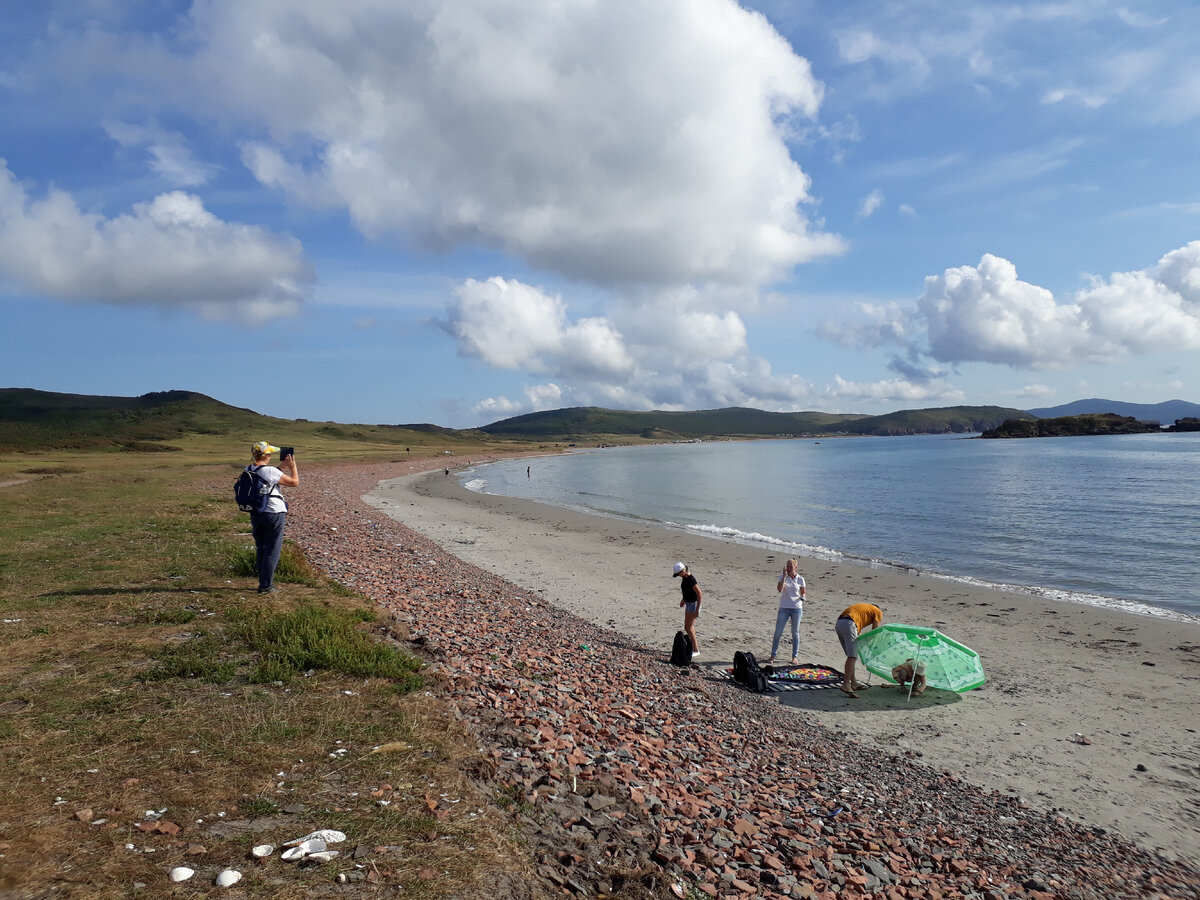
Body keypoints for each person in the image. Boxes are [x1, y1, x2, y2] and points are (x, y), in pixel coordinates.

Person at [246, 441, 299, 594]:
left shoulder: (249, 468)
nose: (271, 455)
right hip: (273, 513)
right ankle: (266, 586)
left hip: (256, 512)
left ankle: (263, 580)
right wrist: (292, 467)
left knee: (261, 547)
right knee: (273, 549)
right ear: (266, 455)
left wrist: (281, 467)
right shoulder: (269, 471)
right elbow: (294, 482)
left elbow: (267, 477)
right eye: (269, 453)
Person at [835, 602, 882, 698]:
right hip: (849, 624)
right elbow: (875, 631)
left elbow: (857, 632)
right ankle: (846, 684)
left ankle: (854, 683)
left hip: (839, 624)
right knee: (852, 657)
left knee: (851, 656)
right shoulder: (877, 611)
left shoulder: (863, 610)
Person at [769, 558, 805, 664]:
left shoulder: (800, 579)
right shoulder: (783, 577)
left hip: (796, 608)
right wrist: (784, 576)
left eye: (791, 566)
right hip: (784, 608)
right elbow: (780, 589)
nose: (789, 568)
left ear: (795, 567)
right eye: (787, 566)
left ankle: (794, 656)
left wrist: (803, 596)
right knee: (778, 632)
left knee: (795, 632)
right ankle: (773, 655)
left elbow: (803, 592)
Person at [672, 562, 702, 657]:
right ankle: (692, 646)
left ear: (683, 571)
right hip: (688, 603)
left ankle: (696, 650)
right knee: (688, 627)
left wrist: (697, 610)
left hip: (693, 604)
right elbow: (687, 591)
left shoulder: (691, 579)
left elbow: (699, 594)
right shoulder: (684, 578)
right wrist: (683, 600)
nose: (678, 576)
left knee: (688, 627)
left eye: (678, 574)